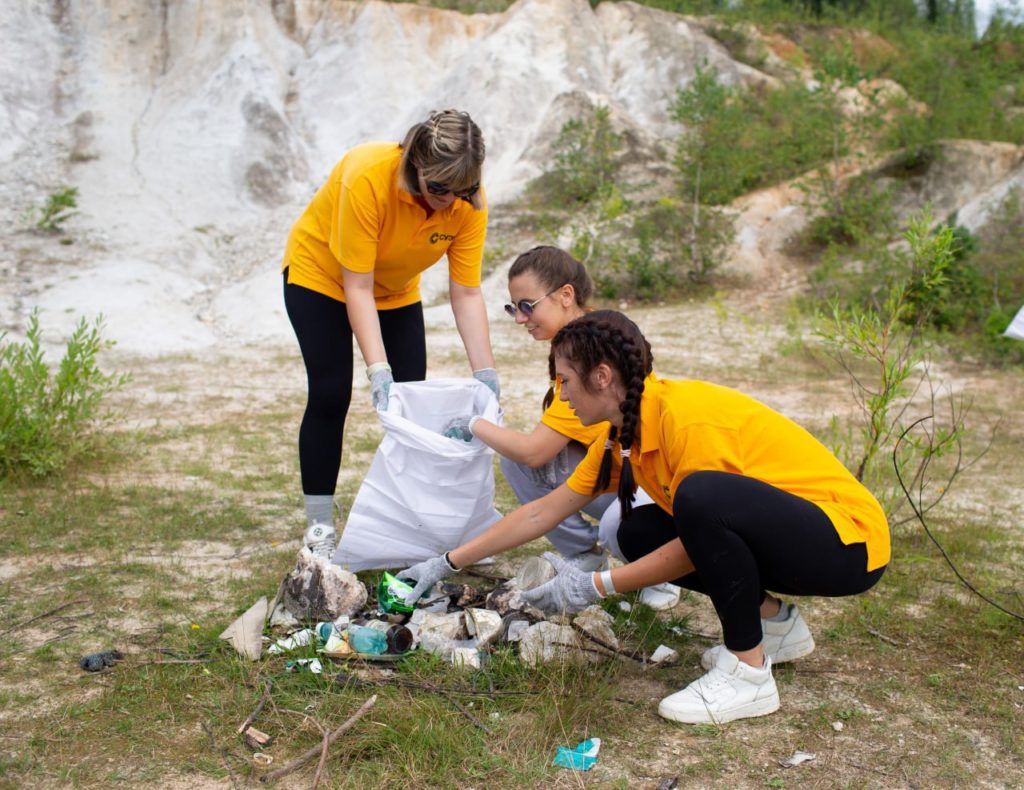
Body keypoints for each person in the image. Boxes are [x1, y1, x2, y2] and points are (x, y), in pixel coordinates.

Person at [398, 310, 890, 725]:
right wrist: (447, 561)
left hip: (847, 545)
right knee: (637, 531)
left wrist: (598, 586)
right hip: (794, 540)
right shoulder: (623, 430)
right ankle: (776, 625)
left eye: (564, 380)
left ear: (603, 377)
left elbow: (706, 529)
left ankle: (748, 674)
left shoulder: (684, 420)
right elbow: (544, 511)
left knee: (697, 499)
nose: (562, 395)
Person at [281, 109, 498, 558]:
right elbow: (355, 286)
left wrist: (485, 371)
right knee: (331, 390)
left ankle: (412, 523)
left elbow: (466, 293)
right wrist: (377, 368)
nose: (448, 201)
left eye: (463, 189)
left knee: (411, 401)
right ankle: (320, 527)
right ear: (413, 164)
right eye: (437, 188)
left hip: (395, 291)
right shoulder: (366, 176)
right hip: (320, 277)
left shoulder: (466, 204)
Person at [442, 246, 680, 607]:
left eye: (527, 305)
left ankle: (660, 571)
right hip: (614, 467)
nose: (520, 319)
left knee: (618, 519)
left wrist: (475, 424)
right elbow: (535, 471)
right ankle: (585, 553)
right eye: (513, 308)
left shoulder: (590, 354)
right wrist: (452, 560)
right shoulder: (577, 342)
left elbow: (535, 451)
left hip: (652, 483)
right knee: (516, 462)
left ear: (565, 295)